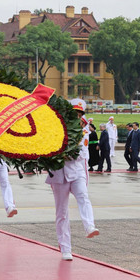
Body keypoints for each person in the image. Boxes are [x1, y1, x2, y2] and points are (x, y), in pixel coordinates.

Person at [46, 98, 99, 261]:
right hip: (59, 174)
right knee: (62, 212)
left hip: (76, 172)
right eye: (74, 113)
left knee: (83, 196)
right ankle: (65, 248)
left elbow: (81, 154)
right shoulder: (56, 128)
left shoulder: (84, 133)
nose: (77, 117)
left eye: (79, 114)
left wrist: (64, 152)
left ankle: (89, 225)